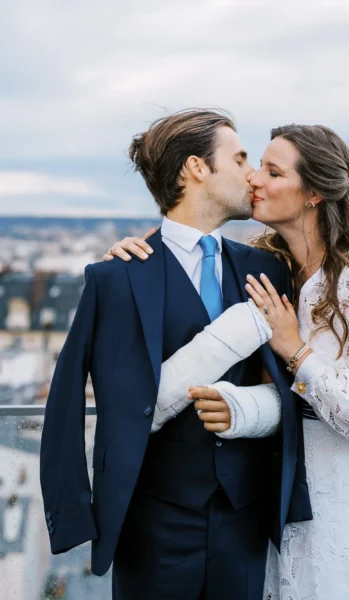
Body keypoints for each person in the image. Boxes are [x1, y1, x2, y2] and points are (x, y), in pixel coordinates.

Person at [106, 123, 349, 598]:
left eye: (272, 171)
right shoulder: (271, 268)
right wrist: (133, 260)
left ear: (313, 194)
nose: (255, 180)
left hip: (348, 498)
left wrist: (295, 349)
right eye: (254, 165)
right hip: (278, 502)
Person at [40, 109, 312, 600]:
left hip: (246, 522)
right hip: (150, 525)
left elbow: (291, 384)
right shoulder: (116, 277)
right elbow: (64, 403)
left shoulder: (269, 268)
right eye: (240, 158)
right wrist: (73, 515)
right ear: (196, 168)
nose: (252, 174)